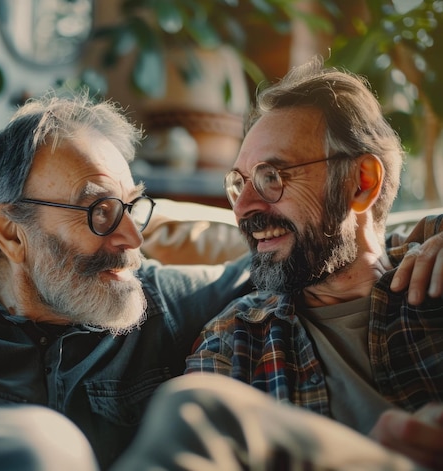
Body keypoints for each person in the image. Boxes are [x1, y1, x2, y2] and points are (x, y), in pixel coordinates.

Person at [0, 90, 439, 471]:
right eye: (100, 211)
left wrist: (434, 231)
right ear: (10, 233)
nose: (133, 239)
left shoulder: (158, 304)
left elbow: (318, 243)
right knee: (41, 448)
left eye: (133, 208)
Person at [171, 57, 441, 469]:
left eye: (271, 177)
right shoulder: (236, 341)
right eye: (239, 184)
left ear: (362, 182)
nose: (243, 208)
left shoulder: (436, 274)